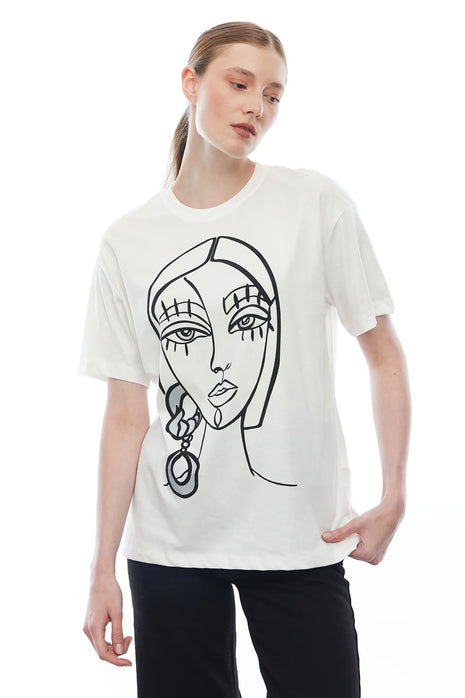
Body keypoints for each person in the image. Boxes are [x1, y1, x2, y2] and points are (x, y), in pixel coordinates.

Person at [79, 20, 410, 698]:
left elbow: (382, 357)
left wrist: (394, 494)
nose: (257, 106)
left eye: (273, 95)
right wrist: (102, 567)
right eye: (239, 84)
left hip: (300, 535)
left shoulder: (314, 204)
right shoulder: (128, 241)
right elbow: (125, 416)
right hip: (170, 548)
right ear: (190, 83)